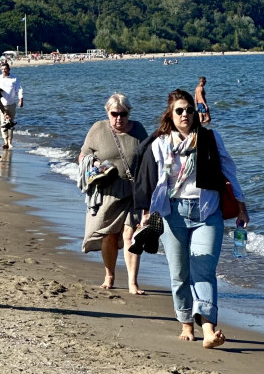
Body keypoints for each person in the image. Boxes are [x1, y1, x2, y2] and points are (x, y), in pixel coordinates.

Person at [135, 89, 248, 348]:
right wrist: (145, 215)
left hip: (207, 213)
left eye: (189, 110)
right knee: (179, 273)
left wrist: (242, 206)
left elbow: (230, 170)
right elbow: (151, 182)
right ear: (170, 115)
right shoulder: (160, 144)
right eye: (179, 110)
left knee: (204, 271)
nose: (185, 114)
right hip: (172, 213)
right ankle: (186, 323)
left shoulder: (209, 138)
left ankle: (208, 329)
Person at [78, 93, 148, 294]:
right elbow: (83, 154)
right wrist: (95, 163)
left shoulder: (138, 130)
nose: (119, 118)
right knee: (109, 235)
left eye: (123, 114)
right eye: (115, 114)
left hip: (134, 191)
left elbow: (150, 157)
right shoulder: (98, 129)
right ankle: (109, 275)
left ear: (129, 112)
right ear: (108, 113)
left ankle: (132, 283)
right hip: (108, 190)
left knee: (131, 234)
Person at [0, 62, 23, 150]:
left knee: (11, 123)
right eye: (2, 69)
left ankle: (10, 142)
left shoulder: (14, 78)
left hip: (12, 104)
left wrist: (21, 99)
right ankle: (6, 141)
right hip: (1, 104)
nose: (4, 71)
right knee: (3, 123)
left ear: (9, 69)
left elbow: (19, 89)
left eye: (5, 69)